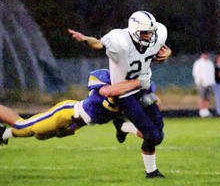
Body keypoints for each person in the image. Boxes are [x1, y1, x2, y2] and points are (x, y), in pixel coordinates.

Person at [68, 10, 171, 178]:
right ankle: (150, 169)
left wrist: (169, 53)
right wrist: (85, 39)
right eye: (145, 33)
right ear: (134, 31)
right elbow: (99, 44)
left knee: (158, 134)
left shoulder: (157, 35)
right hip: (125, 93)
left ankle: (123, 127)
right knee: (151, 135)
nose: (149, 36)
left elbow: (161, 49)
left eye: (151, 32)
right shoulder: (120, 41)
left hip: (143, 89)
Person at [0, 69, 149, 154]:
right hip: (67, 113)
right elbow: (107, 91)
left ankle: (3, 134)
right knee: (23, 126)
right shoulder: (105, 77)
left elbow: (127, 125)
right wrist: (135, 83)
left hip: (74, 126)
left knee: (39, 135)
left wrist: (150, 135)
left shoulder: (128, 99)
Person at [192, 53, 215, 118]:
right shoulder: (198, 63)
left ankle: (206, 111)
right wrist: (199, 81)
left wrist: (212, 82)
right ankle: (201, 111)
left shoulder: (210, 63)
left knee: (207, 98)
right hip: (201, 83)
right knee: (202, 97)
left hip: (209, 83)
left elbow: (212, 73)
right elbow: (195, 73)